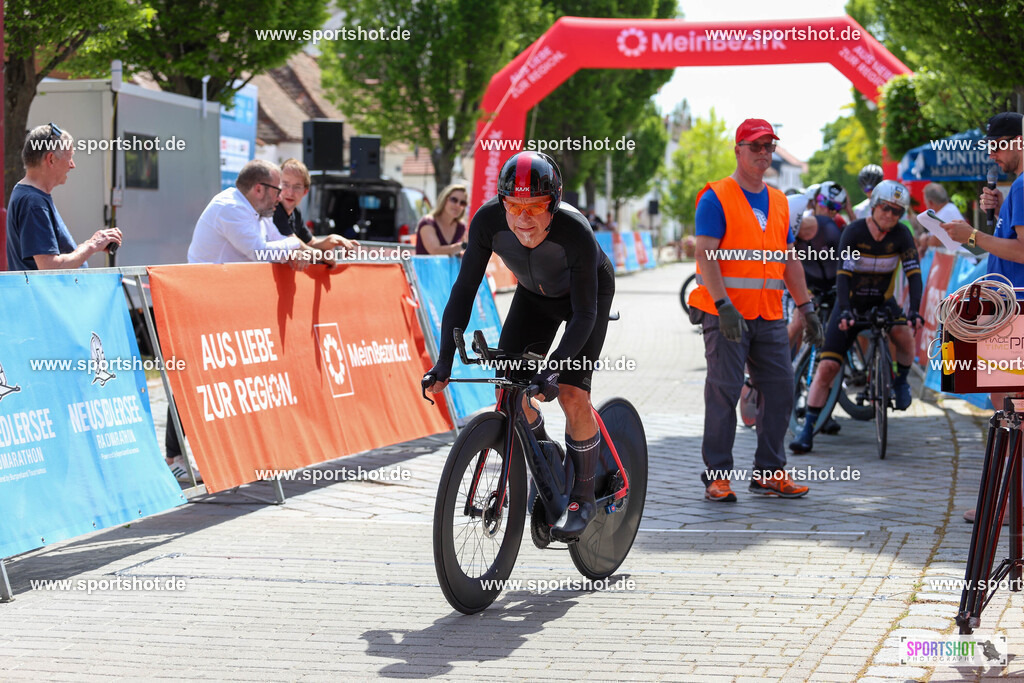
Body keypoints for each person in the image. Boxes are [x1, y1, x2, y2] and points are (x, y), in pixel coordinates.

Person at [423, 151, 615, 541]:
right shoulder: (486, 221)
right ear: (501, 202)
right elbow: (463, 291)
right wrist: (443, 359)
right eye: (514, 206)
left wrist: (554, 369)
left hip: (585, 300)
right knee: (509, 390)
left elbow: (584, 315)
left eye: (536, 207)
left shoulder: (574, 231)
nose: (523, 219)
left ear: (555, 204)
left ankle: (583, 497)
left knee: (571, 394)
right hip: (534, 297)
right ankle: (547, 456)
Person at [688, 118, 822, 503]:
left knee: (781, 391)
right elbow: (705, 254)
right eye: (756, 146)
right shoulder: (716, 196)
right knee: (723, 393)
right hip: (726, 314)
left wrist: (806, 307)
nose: (764, 153)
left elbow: (789, 259)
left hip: (767, 315)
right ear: (738, 150)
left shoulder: (779, 201)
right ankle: (717, 476)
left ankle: (769, 472)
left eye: (769, 146)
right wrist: (723, 305)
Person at [789, 180, 924, 454]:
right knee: (827, 367)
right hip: (849, 302)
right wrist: (846, 310)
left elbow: (914, 275)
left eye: (897, 212)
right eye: (886, 208)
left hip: (882, 301)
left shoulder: (901, 235)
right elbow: (843, 276)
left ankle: (900, 383)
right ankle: (807, 430)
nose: (890, 215)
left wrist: (915, 311)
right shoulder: (853, 232)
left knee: (905, 335)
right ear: (874, 205)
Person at [940, 112, 1024, 525]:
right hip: (1010, 309)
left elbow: (1023, 252)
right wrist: (997, 214)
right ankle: (1007, 504)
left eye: (997, 145)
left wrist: (970, 235)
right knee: (1010, 410)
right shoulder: (1017, 189)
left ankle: (1007, 507)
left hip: (1013, 312)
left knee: (1008, 411)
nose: (992, 155)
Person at [7, 123, 122, 270]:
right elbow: (49, 267)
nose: (72, 165)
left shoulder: (29, 196)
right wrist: (91, 246)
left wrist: (89, 247)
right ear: (51, 159)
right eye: (69, 157)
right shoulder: (34, 202)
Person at [187, 159, 318, 266]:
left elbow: (278, 240)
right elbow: (260, 253)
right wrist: (293, 245)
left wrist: (296, 252)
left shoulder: (261, 211)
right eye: (277, 191)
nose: (280, 198)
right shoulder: (230, 207)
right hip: (207, 291)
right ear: (259, 190)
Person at [273, 158, 356, 254]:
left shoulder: (296, 213)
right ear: (277, 186)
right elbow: (293, 242)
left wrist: (331, 239)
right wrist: (320, 255)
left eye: (297, 187)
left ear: (305, 191)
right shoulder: (274, 209)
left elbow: (311, 243)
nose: (290, 192)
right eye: (285, 185)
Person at [415, 184, 468, 255]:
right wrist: (463, 246)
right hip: (426, 265)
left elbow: (461, 253)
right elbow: (435, 250)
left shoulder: (461, 226)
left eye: (462, 203)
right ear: (444, 200)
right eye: (454, 200)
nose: (458, 205)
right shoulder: (427, 222)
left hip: (450, 266)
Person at [919, 182, 966, 252]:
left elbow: (934, 242)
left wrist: (925, 240)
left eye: (925, 202)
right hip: (962, 259)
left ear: (931, 202)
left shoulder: (944, 214)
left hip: (962, 260)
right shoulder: (950, 208)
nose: (925, 204)